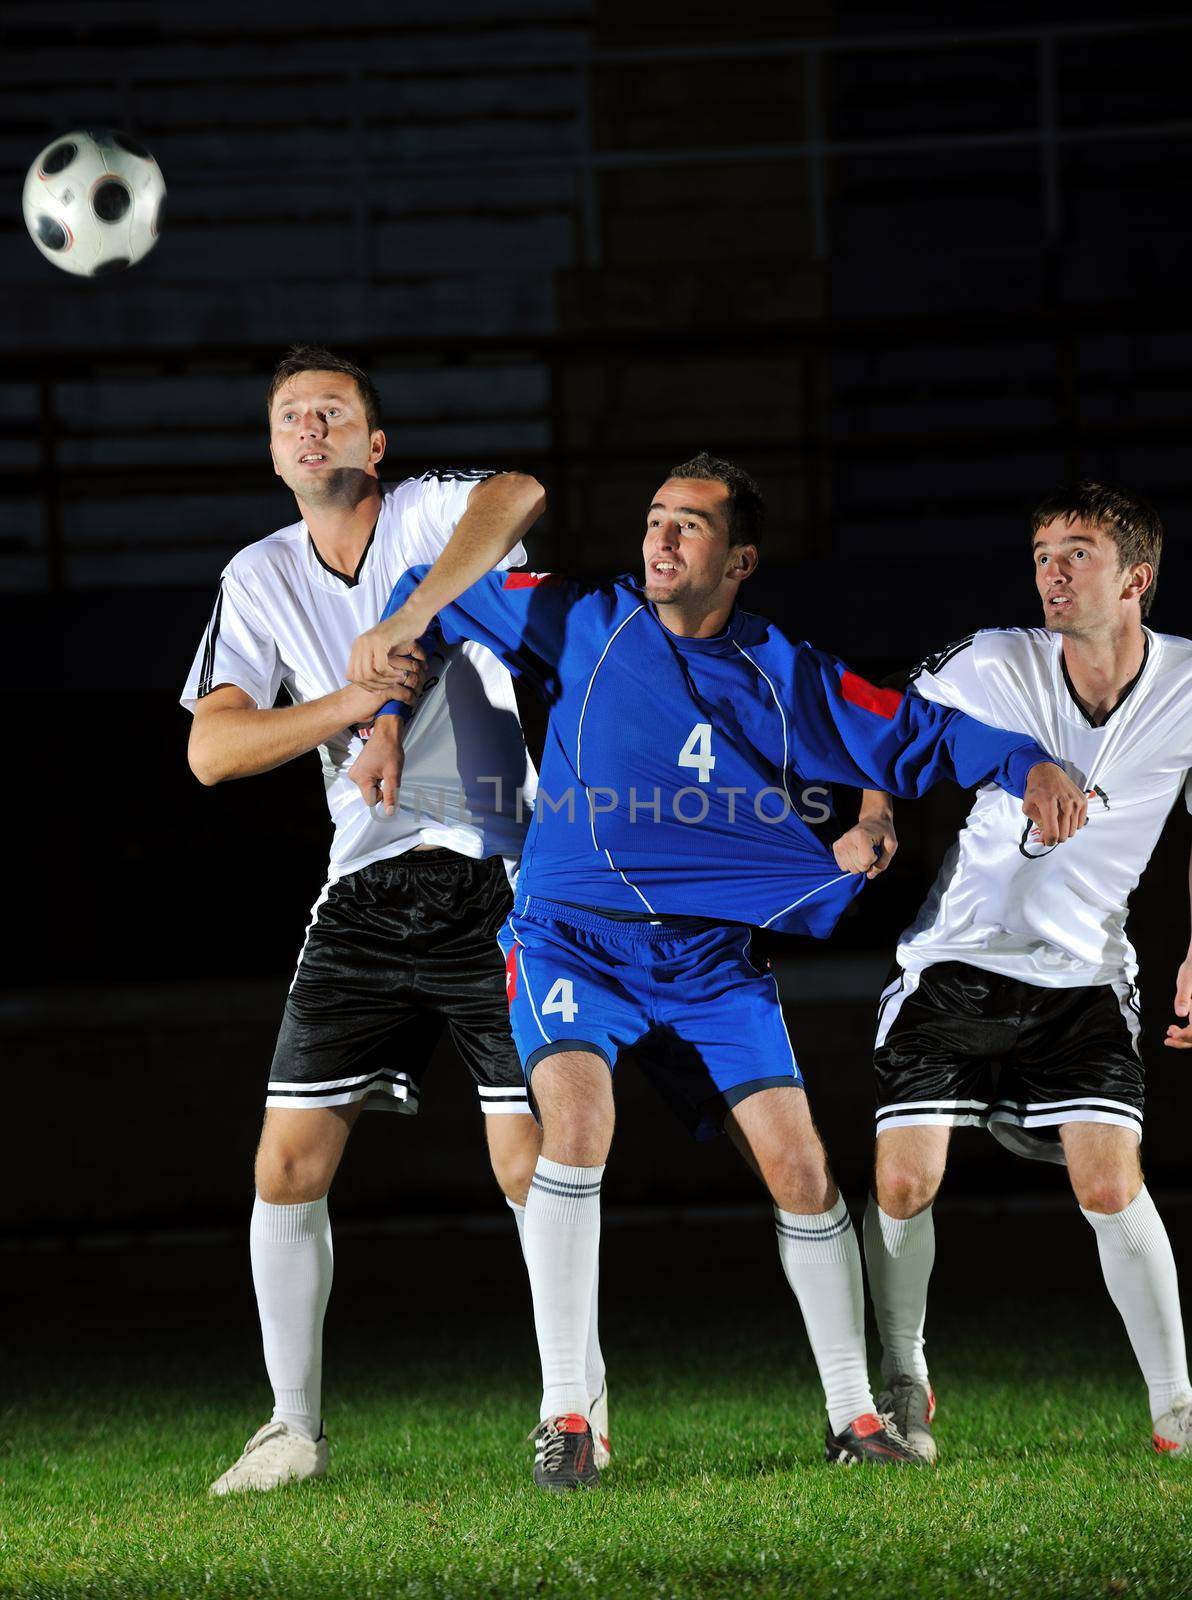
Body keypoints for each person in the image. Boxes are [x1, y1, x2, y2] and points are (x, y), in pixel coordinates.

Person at [347, 451, 1087, 1486]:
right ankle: (570, 1414)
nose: (660, 538)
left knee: (799, 1167)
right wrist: (384, 713)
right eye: (653, 518)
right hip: (571, 936)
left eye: (688, 525)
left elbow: (913, 735)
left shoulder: (784, 676)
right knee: (577, 1124)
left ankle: (853, 1416)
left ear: (737, 560)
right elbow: (418, 604)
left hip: (706, 957)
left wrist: (1026, 761)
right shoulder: (577, 620)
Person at [182, 344, 607, 1495]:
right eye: (288, 416)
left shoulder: (424, 514)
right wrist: (356, 698)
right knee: (286, 1162)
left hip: (497, 874)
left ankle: (575, 1407)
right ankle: (292, 1428)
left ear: (375, 445)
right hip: (362, 888)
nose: (309, 428)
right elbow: (213, 750)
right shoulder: (257, 575)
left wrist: (406, 621)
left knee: (527, 1158)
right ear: (274, 452)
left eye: (332, 412)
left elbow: (518, 496)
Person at [859, 481, 1192, 1463]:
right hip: (954, 962)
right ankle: (906, 1382)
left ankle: (1175, 1406)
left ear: (1135, 578)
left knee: (1105, 1182)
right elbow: (888, 720)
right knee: (905, 1185)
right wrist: (875, 814)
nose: (1052, 567)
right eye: (1043, 550)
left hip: (1084, 971)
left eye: (1077, 551)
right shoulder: (995, 658)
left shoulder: (1183, 686)